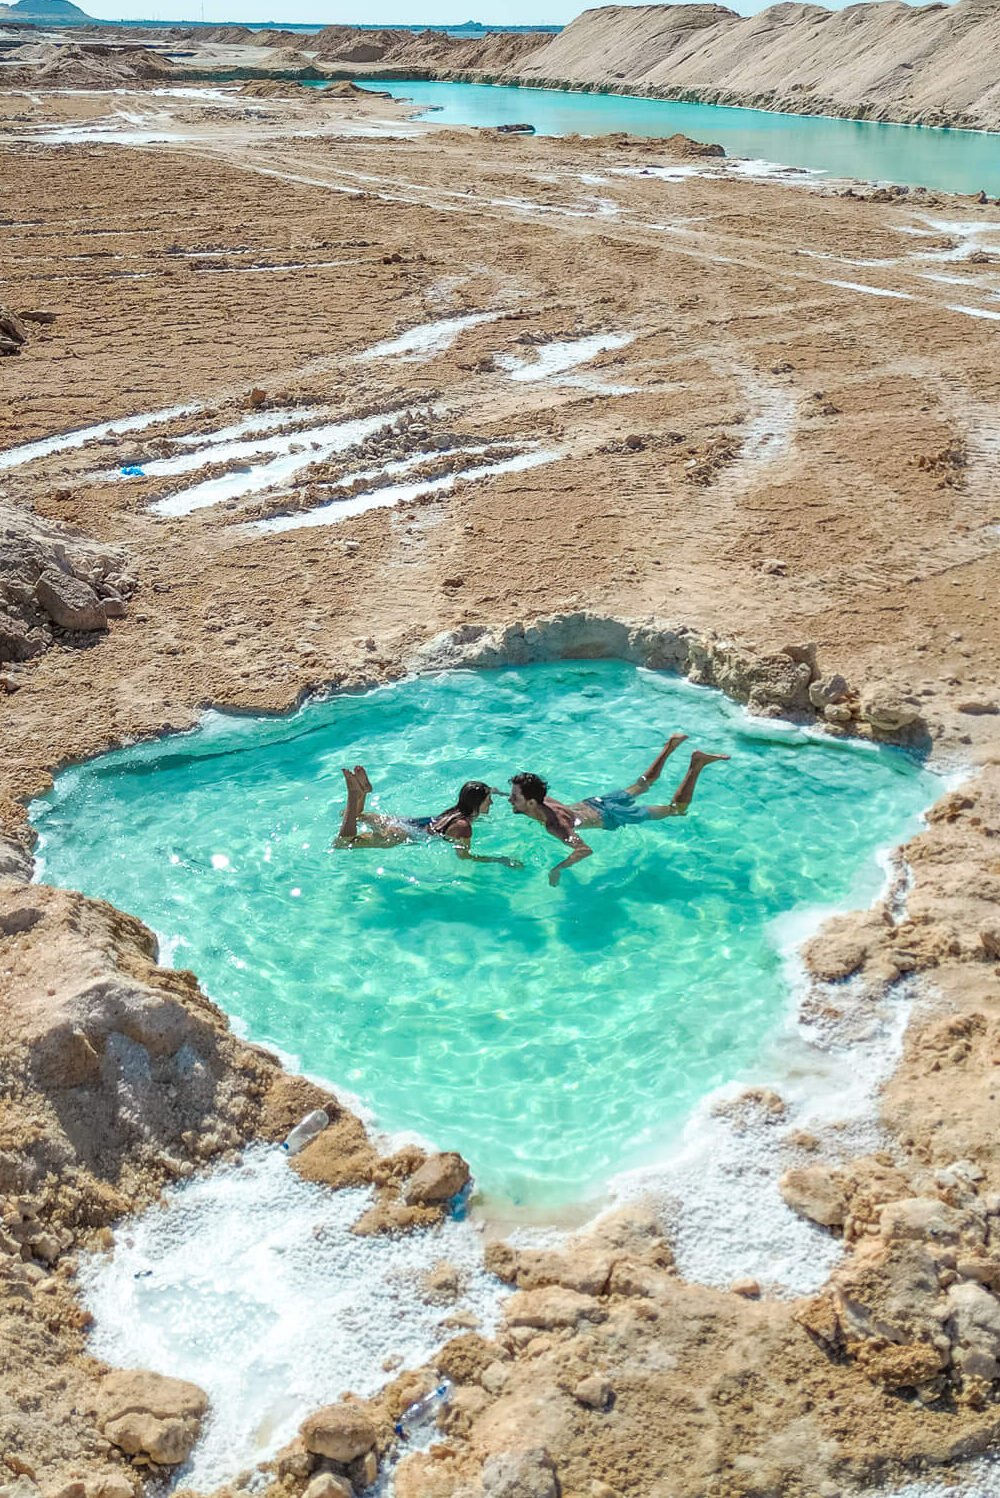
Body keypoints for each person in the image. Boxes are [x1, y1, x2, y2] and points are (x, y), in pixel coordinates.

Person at [509, 735, 729, 885]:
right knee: (642, 784)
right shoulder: (542, 798)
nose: (510, 800)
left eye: (514, 797)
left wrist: (557, 868)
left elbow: (584, 850)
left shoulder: (554, 825)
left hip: (610, 814)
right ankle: (670, 745)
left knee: (676, 810)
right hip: (596, 802)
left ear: (530, 803)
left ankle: (697, 764)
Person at [334, 766, 521, 868]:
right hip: (405, 833)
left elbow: (487, 792)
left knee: (354, 816)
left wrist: (501, 793)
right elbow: (464, 857)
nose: (491, 803)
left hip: (409, 822)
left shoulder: (457, 810)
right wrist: (499, 860)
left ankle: (364, 792)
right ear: (477, 803)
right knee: (344, 843)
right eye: (488, 800)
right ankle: (353, 793)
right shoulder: (464, 826)